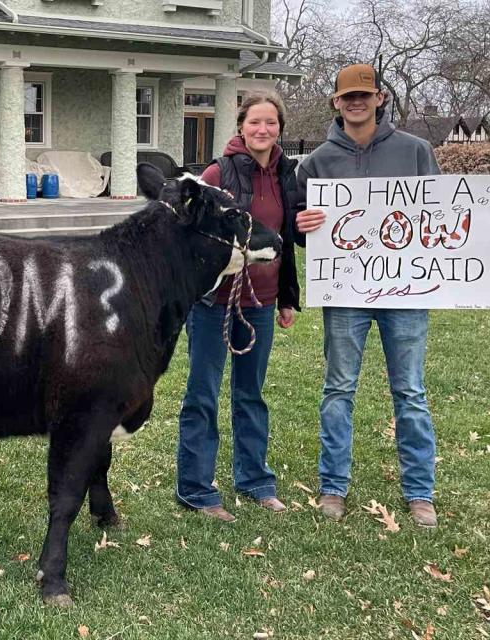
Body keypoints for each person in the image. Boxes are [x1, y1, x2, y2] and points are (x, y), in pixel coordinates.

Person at [294, 64, 490, 528]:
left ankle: (420, 493)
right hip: (346, 293)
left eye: (364, 95)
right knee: (338, 389)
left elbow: (446, 214)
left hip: (407, 291)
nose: (355, 102)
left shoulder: (415, 151)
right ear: (336, 103)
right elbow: (304, 232)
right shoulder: (316, 162)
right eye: (347, 96)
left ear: (380, 98)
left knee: (410, 391)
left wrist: (488, 232)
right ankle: (333, 487)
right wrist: (303, 228)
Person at [175, 91, 302, 522]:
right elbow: (188, 233)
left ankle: (255, 481)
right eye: (254, 123)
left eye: (270, 123)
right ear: (241, 125)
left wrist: (286, 297)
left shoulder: (288, 174)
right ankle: (196, 488)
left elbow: (287, 238)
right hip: (215, 304)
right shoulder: (217, 173)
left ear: (279, 127)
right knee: (203, 395)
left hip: (262, 304)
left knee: (251, 395)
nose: (262, 130)